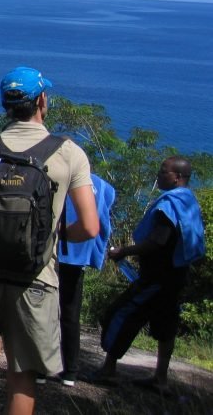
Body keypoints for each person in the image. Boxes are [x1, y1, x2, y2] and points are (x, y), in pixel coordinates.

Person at [0, 67, 99, 415]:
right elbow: (90, 227)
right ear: (42, 101)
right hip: (35, 278)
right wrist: (52, 239)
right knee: (22, 375)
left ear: (6, 106)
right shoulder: (68, 153)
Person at [93, 156, 205, 393]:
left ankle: (109, 369)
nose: (158, 174)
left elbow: (157, 241)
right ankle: (160, 378)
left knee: (120, 314)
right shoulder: (188, 201)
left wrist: (123, 251)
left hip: (157, 277)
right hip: (177, 276)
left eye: (163, 172)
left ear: (177, 177)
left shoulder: (169, 206)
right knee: (166, 324)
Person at [54, 174, 116, 387]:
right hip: (79, 254)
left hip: (53, 251)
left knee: (43, 310)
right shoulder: (103, 186)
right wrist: (96, 255)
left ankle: (41, 367)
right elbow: (104, 223)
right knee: (71, 314)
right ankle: (71, 371)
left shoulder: (56, 174)